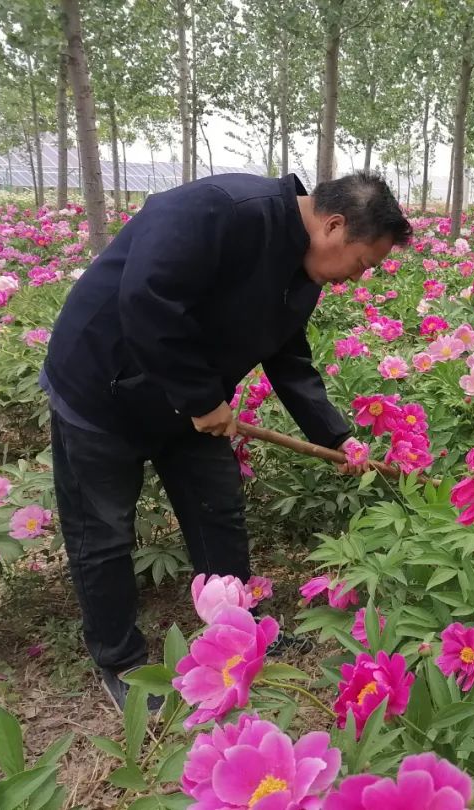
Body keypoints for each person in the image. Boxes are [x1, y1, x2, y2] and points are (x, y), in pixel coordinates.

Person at [40, 171, 411, 711]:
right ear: (334, 226)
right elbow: (146, 298)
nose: (357, 279)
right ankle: (121, 661)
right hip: (100, 387)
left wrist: (338, 435)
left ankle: (240, 627)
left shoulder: (303, 267)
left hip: (190, 403)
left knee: (217, 511)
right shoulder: (220, 209)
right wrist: (199, 398)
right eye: (362, 264)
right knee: (102, 533)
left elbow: (289, 356)